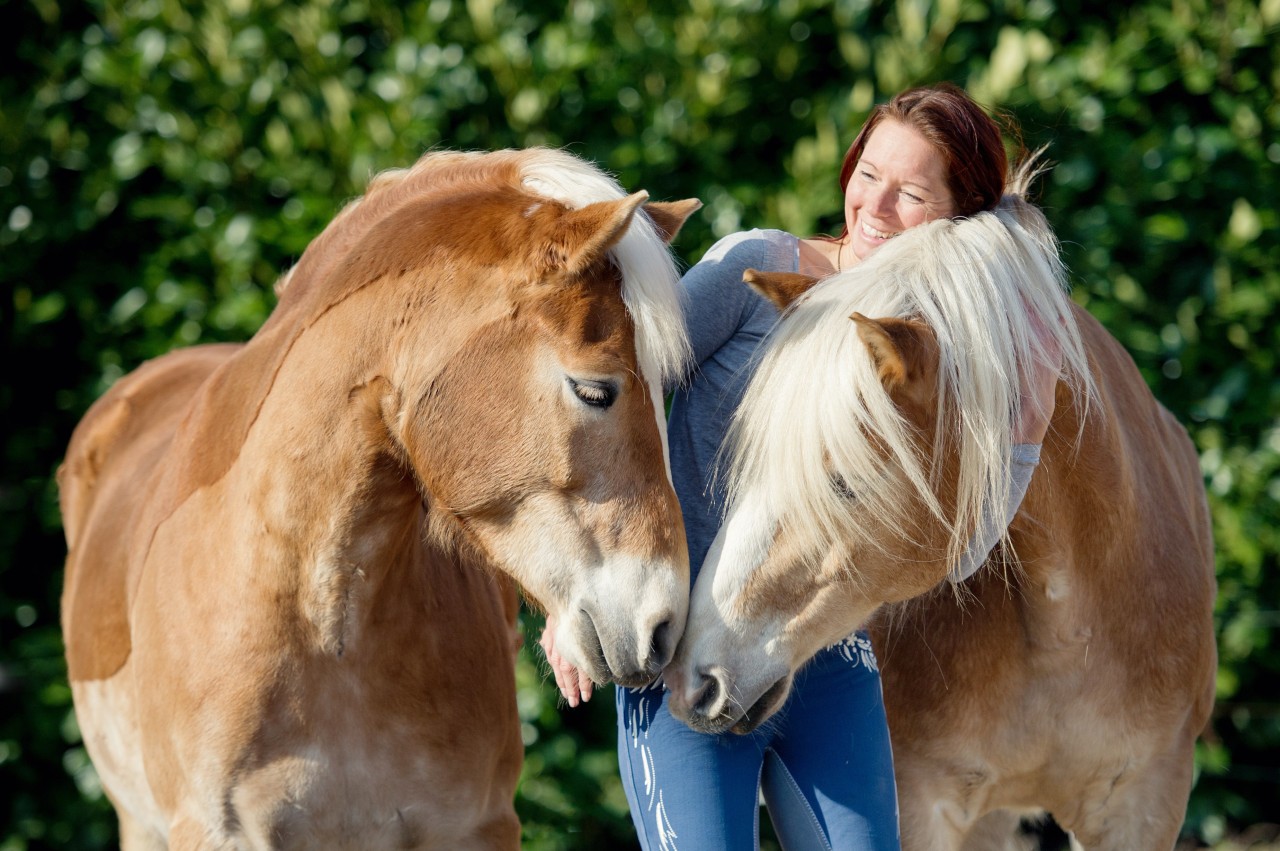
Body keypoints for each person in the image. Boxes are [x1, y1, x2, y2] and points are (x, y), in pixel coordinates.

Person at [540, 82, 1062, 850]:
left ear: (958, 216)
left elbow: (961, 550)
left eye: (912, 193)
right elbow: (612, 415)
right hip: (682, 643)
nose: (876, 207)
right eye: (868, 174)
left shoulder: (935, 364)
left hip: (827, 661)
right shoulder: (756, 270)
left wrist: (1024, 432)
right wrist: (569, 591)